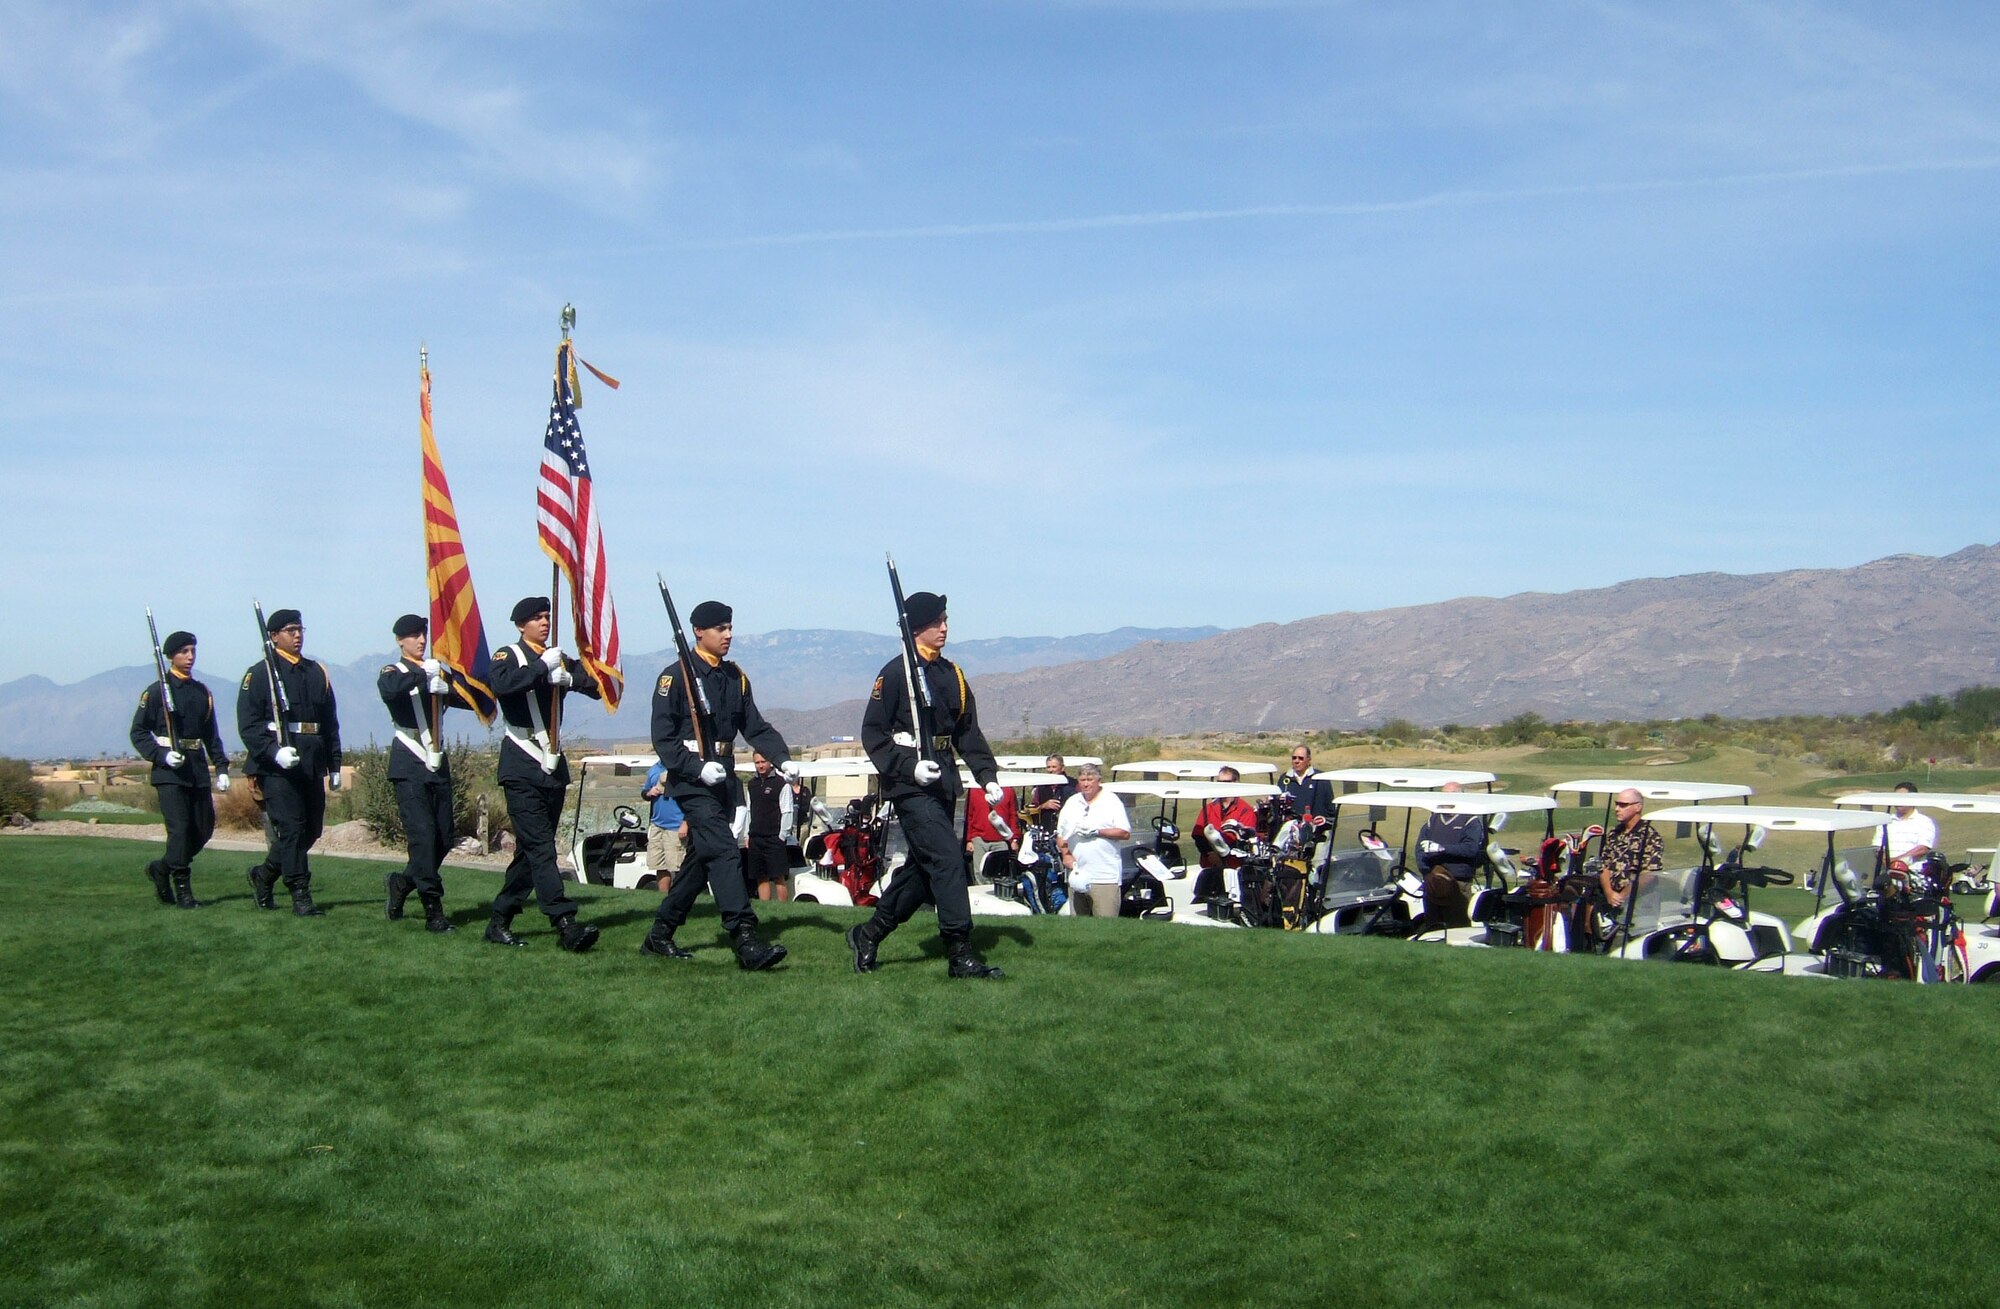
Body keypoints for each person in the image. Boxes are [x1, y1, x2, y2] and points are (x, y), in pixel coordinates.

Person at [849, 589, 1009, 978]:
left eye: (945, 620)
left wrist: (987, 776)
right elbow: (874, 734)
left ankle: (869, 932)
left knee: (924, 870)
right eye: (938, 622)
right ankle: (960, 951)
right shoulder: (894, 673)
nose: (944, 628)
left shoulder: (951, 673)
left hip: (943, 782)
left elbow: (967, 732)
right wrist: (908, 766)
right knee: (948, 861)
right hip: (910, 786)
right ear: (917, 627)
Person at [640, 600, 791, 968]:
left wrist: (783, 758)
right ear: (698, 632)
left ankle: (660, 934)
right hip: (692, 782)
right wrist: (694, 767)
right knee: (724, 850)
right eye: (721, 628)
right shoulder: (675, 677)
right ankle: (744, 936)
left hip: (722, 779)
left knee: (701, 861)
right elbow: (663, 738)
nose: (729, 635)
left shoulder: (734, 677)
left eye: (729, 627)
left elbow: (754, 726)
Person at [484, 596, 603, 952]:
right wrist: (541, 668)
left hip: (551, 768)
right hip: (521, 764)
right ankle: (564, 922)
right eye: (536, 618)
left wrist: (569, 677)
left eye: (547, 616)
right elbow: (503, 686)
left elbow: (596, 688)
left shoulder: (557, 656)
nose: (544, 622)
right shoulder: (508, 656)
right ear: (521, 625)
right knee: (540, 847)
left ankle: (499, 920)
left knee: (528, 853)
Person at [378, 613, 480, 934]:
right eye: (413, 635)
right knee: (422, 838)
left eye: (423, 634)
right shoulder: (394, 671)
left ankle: (402, 883)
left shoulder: (435, 670)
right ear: (399, 641)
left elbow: (469, 697)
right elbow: (391, 690)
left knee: (443, 838)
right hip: (409, 763)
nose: (421, 640)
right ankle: (433, 911)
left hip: (436, 762)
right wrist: (424, 676)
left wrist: (454, 678)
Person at [237, 608, 342, 917]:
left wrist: (335, 764)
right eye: (290, 630)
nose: (297, 635)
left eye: (300, 629)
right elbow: (249, 725)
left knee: (312, 830)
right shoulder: (259, 675)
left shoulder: (316, 673)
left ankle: (264, 875)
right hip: (276, 768)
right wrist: (273, 752)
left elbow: (329, 723)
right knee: (293, 830)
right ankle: (300, 893)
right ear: (274, 637)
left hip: (310, 762)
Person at [128, 629, 230, 908]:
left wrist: (221, 767)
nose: (190, 656)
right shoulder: (156, 692)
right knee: (181, 830)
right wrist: (160, 756)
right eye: (184, 651)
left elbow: (211, 735)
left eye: (193, 651)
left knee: (204, 829)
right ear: (171, 656)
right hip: (170, 773)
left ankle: (161, 869)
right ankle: (183, 890)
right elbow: (138, 732)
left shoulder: (202, 693)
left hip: (196, 770)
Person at [1056, 763, 1133, 918]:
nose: (1086, 783)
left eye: (1090, 779)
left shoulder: (1111, 801)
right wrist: (1066, 855)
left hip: (1104, 876)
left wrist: (1098, 832)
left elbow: (1124, 832)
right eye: (1082, 779)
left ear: (1098, 780)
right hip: (1078, 874)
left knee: (1105, 924)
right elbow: (1061, 835)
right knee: (1079, 925)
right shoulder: (1072, 802)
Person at [1591, 788, 1663, 944]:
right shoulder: (1614, 834)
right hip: (1614, 902)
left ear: (1638, 807)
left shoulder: (1650, 836)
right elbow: (1604, 866)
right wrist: (1609, 892)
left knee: (1637, 946)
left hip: (1641, 904)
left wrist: (1623, 895)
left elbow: (1649, 874)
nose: (1617, 809)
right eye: (1617, 804)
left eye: (1623, 805)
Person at [1415, 781, 1487, 930]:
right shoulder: (1433, 819)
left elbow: (1470, 849)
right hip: (1433, 882)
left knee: (1457, 925)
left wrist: (1442, 849)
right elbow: (1420, 848)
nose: (1445, 801)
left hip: (1458, 882)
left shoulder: (1470, 821)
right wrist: (1426, 872)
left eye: (1449, 796)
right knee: (1433, 925)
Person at [1191, 765, 1258, 903]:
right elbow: (1198, 835)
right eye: (1219, 782)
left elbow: (1244, 840)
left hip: (1233, 869)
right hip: (1210, 865)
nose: (1221, 786)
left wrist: (1223, 856)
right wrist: (1210, 854)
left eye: (1225, 783)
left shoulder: (1245, 810)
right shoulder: (1209, 808)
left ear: (1236, 784)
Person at [742, 750, 796, 903]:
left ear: (770, 762)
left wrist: (782, 836)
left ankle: (783, 909)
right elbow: (748, 809)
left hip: (774, 838)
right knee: (761, 876)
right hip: (756, 837)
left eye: (762, 762)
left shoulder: (781, 784)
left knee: (778, 876)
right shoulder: (752, 784)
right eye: (757, 763)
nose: (760, 765)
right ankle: (765, 908)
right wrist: (747, 834)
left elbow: (787, 811)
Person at [641, 759, 687, 894]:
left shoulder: (680, 769)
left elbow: (690, 799)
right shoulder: (654, 769)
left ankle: (680, 897)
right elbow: (644, 792)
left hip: (676, 825)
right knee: (660, 865)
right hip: (657, 824)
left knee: (677, 865)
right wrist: (649, 793)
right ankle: (663, 897)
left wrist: (685, 823)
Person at [964, 778, 1019, 886]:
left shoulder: (1008, 790)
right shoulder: (974, 790)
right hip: (979, 838)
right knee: (980, 873)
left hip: (1001, 840)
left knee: (1000, 873)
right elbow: (969, 815)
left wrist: (1014, 838)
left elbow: (1013, 815)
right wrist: (969, 839)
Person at [1882, 781, 1939, 868]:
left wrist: (1897, 861)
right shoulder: (1885, 821)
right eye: (1896, 797)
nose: (1898, 801)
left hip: (1912, 873)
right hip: (1887, 872)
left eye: (1902, 798)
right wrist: (1885, 860)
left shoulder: (1924, 822)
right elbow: (1877, 847)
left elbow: (1922, 849)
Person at [1029, 754, 1077, 832]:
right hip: (1047, 830)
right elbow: (1032, 810)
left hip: (1069, 829)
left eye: (1054, 767)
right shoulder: (1040, 786)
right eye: (1048, 767)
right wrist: (1044, 806)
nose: (1051, 770)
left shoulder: (1073, 784)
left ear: (1062, 767)